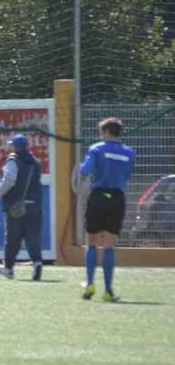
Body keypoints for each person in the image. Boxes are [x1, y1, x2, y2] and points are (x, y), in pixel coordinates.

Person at [80, 118, 135, 302]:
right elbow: (126, 175)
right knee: (110, 244)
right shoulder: (129, 153)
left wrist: (81, 169)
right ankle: (108, 290)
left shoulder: (96, 149)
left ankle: (89, 285)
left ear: (106, 132)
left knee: (92, 242)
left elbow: (85, 170)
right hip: (117, 199)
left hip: (98, 197)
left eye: (101, 131)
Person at [0, 134, 44, 281]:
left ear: (15, 146)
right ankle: (37, 262)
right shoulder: (35, 162)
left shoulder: (13, 160)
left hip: (16, 206)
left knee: (13, 239)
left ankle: (8, 268)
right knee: (32, 237)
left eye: (12, 145)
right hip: (34, 206)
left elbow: (9, 179)